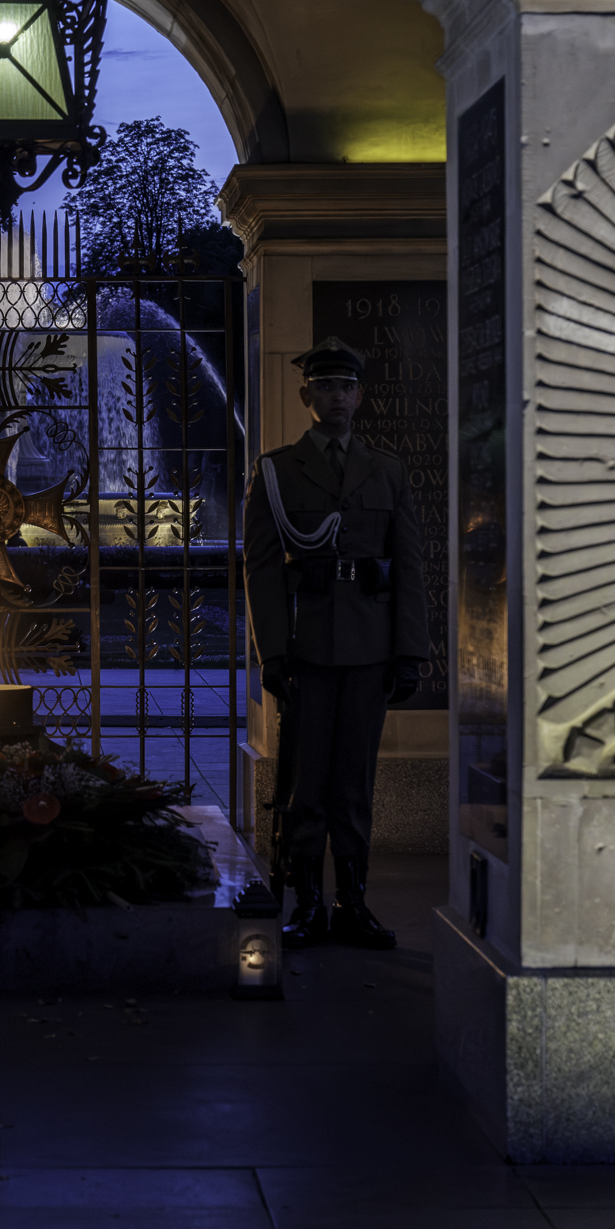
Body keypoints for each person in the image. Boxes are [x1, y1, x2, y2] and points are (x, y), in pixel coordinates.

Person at [243, 336, 432, 951]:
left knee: (354, 783)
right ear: (306, 396)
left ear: (360, 396)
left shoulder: (388, 470)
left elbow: (408, 566)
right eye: (325, 386)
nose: (337, 396)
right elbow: (264, 570)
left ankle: (354, 901)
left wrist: (410, 652)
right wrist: (273, 653)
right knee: (306, 785)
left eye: (346, 387)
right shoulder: (275, 471)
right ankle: (307, 903)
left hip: (371, 648)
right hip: (308, 648)